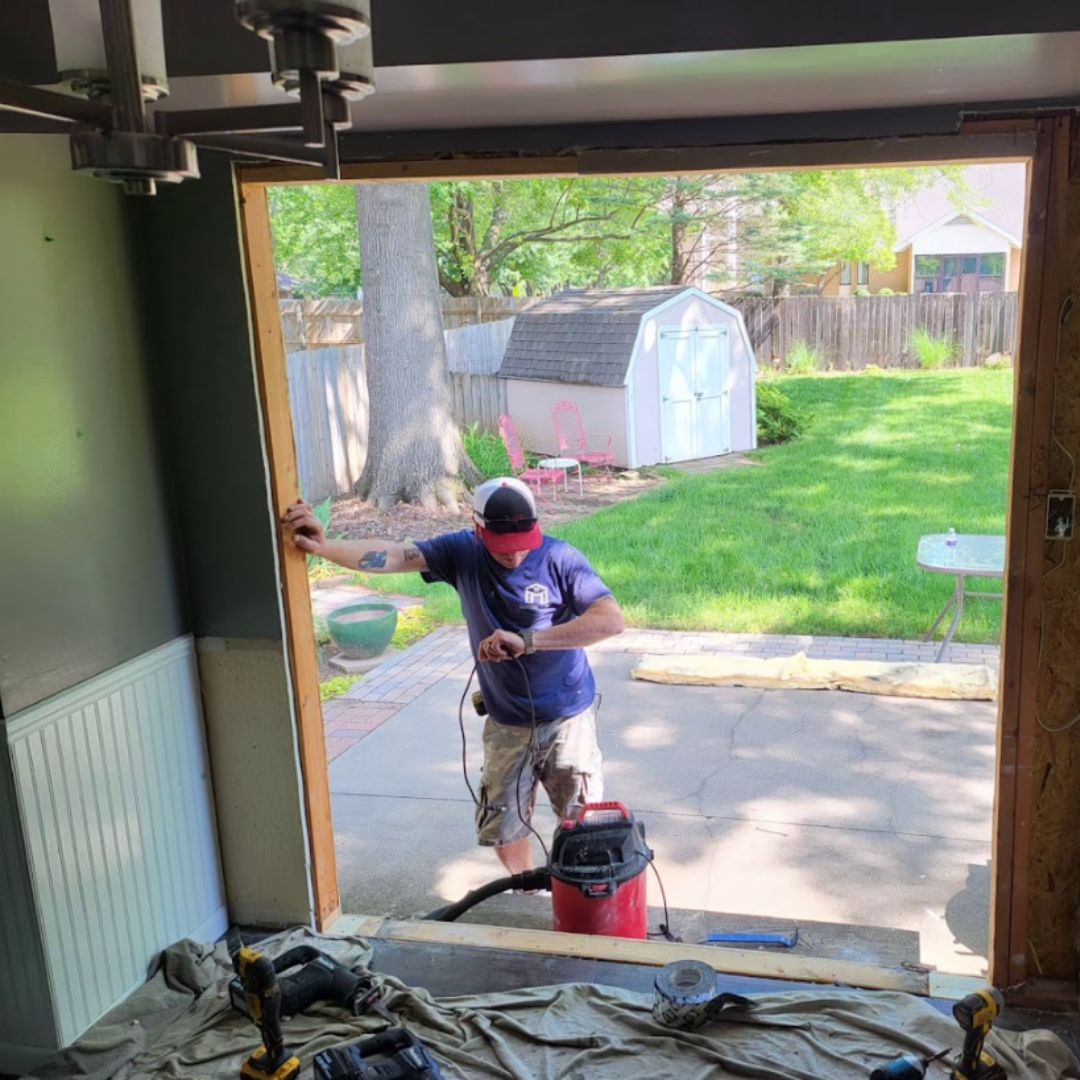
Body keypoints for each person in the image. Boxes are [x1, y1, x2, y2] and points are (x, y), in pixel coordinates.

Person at [282, 477, 624, 876]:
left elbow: (610, 621)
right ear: (478, 529)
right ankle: (524, 891)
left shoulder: (560, 559)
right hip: (507, 723)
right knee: (504, 821)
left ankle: (578, 889)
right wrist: (324, 548)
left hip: (569, 719)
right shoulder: (461, 552)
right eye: (502, 547)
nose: (514, 557)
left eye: (522, 545)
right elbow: (391, 556)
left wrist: (528, 640)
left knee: (580, 820)